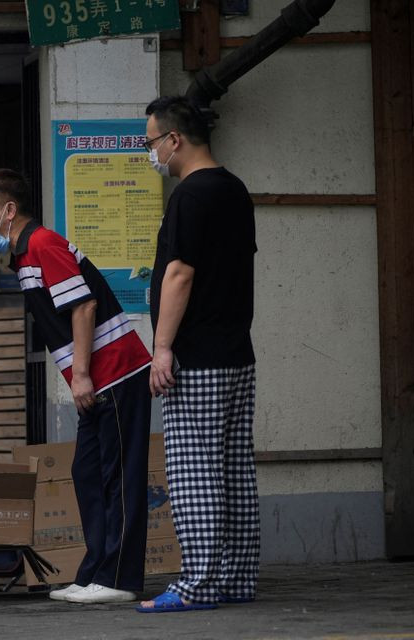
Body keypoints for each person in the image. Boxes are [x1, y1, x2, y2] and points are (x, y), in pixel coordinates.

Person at [0, 169, 153, 604]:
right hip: (96, 379)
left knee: (118, 477)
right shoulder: (23, 255)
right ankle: (95, 573)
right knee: (87, 473)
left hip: (117, 374)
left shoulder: (43, 243)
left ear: (9, 210)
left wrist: (84, 374)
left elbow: (84, 306)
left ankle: (120, 580)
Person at [138, 96, 260, 613]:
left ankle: (199, 584)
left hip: (198, 356)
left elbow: (180, 273)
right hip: (236, 352)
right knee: (233, 469)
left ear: (174, 140)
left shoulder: (190, 196)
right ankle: (235, 578)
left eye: (151, 142)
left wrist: (162, 347)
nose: (151, 152)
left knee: (194, 472)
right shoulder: (235, 189)